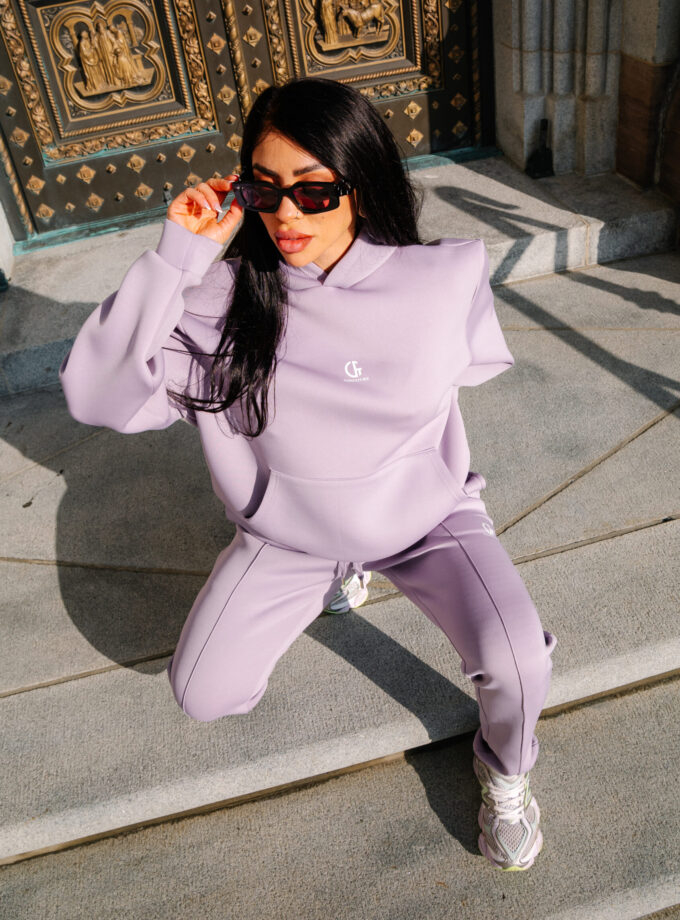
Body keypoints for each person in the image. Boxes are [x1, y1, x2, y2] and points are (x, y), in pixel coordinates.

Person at [59, 76, 557, 871]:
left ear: (362, 185)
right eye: (264, 188)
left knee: (519, 655)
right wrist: (175, 257)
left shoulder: (447, 276)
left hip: (426, 520)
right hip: (287, 538)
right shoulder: (218, 301)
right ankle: (341, 567)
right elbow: (97, 397)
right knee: (202, 694)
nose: (286, 214)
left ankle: (507, 774)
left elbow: (456, 378)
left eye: (315, 191)